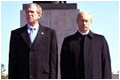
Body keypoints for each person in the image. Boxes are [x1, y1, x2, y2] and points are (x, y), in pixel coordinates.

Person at [8, 3, 58, 79]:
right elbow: (12, 61)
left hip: (43, 76)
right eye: (27, 12)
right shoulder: (16, 34)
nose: (29, 14)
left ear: (39, 14)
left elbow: (53, 61)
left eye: (32, 12)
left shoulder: (50, 34)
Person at [60, 11, 112, 79]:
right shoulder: (68, 41)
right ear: (77, 21)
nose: (84, 23)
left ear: (91, 22)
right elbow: (64, 67)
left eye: (86, 21)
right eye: (81, 20)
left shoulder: (100, 40)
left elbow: (106, 65)